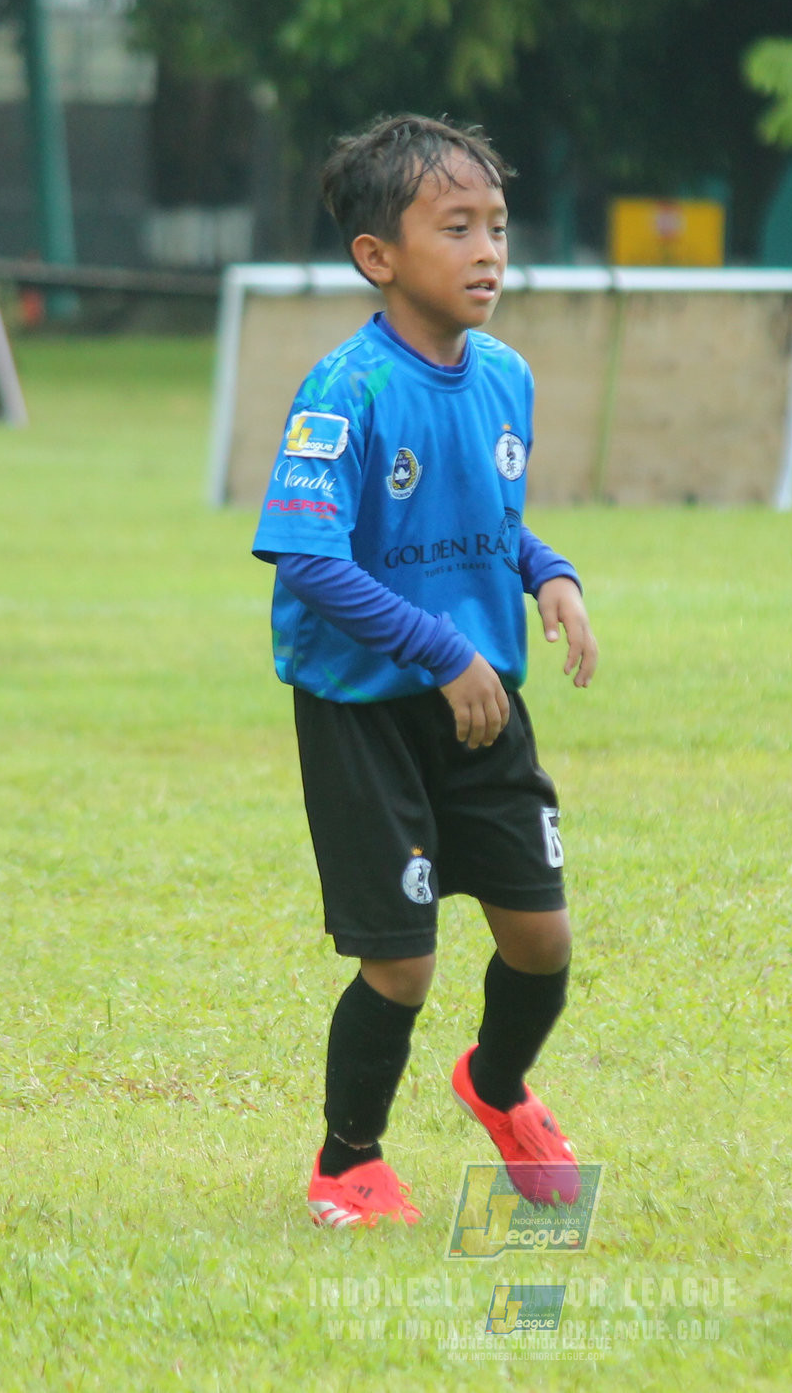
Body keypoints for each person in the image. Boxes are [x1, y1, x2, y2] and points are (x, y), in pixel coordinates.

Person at [251, 114, 599, 1228]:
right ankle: (345, 1161)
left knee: (540, 937)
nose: (488, 250)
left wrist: (548, 573)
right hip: (365, 710)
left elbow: (486, 519)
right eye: (456, 228)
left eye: (496, 225)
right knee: (401, 963)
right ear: (377, 256)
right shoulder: (344, 390)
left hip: (481, 702)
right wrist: (440, 647)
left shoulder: (504, 376)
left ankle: (494, 1087)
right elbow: (307, 555)